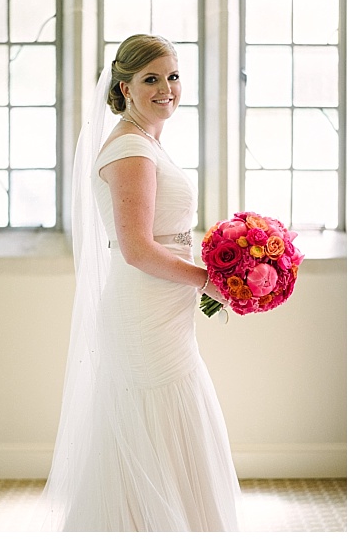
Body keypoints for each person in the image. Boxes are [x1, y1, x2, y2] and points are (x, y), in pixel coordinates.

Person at [37, 34, 240, 531]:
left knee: (166, 424)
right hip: (144, 308)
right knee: (155, 420)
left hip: (162, 306)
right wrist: (208, 280)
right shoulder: (130, 147)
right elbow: (137, 248)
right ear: (124, 87)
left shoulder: (145, 140)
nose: (167, 88)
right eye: (152, 79)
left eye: (172, 76)